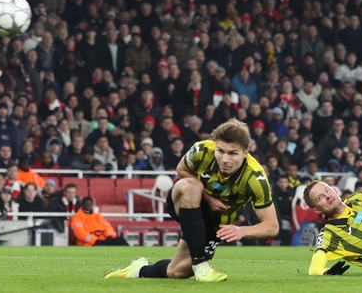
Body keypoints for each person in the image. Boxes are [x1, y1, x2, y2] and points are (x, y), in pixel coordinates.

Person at [105, 119, 279, 282]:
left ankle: (138, 270)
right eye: (220, 151)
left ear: (245, 152)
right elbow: (181, 169)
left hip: (213, 222)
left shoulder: (255, 178)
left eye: (232, 153)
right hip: (185, 202)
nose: (224, 159)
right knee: (192, 186)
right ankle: (200, 264)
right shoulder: (201, 150)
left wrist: (242, 231)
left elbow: (272, 226)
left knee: (177, 271)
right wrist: (208, 198)